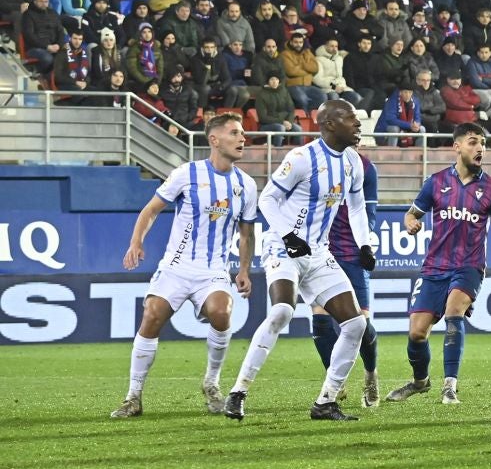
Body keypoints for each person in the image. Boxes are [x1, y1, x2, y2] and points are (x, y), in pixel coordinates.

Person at [223, 101, 374, 422]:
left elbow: (358, 207)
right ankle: (238, 392)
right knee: (282, 311)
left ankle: (326, 401)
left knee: (356, 323)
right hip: (282, 248)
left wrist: (365, 244)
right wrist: (288, 235)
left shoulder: (353, 163)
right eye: (351, 119)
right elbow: (267, 199)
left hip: (318, 254)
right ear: (330, 124)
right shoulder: (302, 158)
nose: (358, 124)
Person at [111, 114, 258, 418]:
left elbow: (246, 233)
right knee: (152, 316)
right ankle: (133, 397)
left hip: (213, 270)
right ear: (214, 140)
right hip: (176, 267)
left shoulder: (246, 184)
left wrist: (243, 270)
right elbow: (151, 210)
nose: (242, 138)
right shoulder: (186, 174)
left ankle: (212, 383)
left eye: (243, 133)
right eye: (234, 133)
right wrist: (136, 242)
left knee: (222, 312)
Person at [386, 123, 491, 405]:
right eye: (473, 142)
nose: (480, 148)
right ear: (457, 147)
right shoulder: (436, 182)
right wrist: (411, 223)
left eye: (483, 144)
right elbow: (411, 213)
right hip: (434, 267)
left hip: (469, 266)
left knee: (454, 310)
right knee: (417, 333)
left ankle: (449, 386)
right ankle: (420, 382)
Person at [307, 154, 381, 408]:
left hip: (352, 253)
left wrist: (365, 245)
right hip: (321, 252)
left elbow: (367, 211)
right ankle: (333, 384)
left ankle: (371, 374)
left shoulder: (366, 167)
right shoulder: (311, 160)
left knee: (362, 323)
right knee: (320, 321)